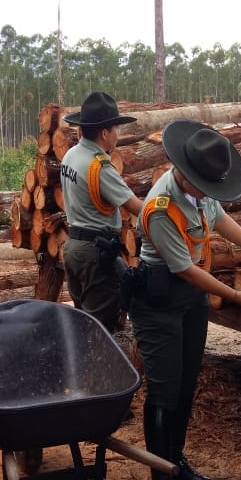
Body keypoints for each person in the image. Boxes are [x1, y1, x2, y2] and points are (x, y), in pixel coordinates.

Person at [126, 119, 241, 480]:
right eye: (205, 186)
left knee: (185, 384)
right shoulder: (161, 206)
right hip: (159, 298)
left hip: (190, 299)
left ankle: (176, 460)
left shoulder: (200, 193)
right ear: (184, 172)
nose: (210, 194)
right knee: (163, 391)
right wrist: (236, 296)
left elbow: (218, 219)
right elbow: (182, 267)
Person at [60, 91, 143, 332]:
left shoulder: (71, 155)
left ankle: (80, 364)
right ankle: (92, 369)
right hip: (96, 253)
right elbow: (133, 205)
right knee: (99, 329)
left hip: (73, 246)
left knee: (83, 319)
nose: (118, 134)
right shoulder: (99, 165)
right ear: (104, 132)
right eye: (116, 128)